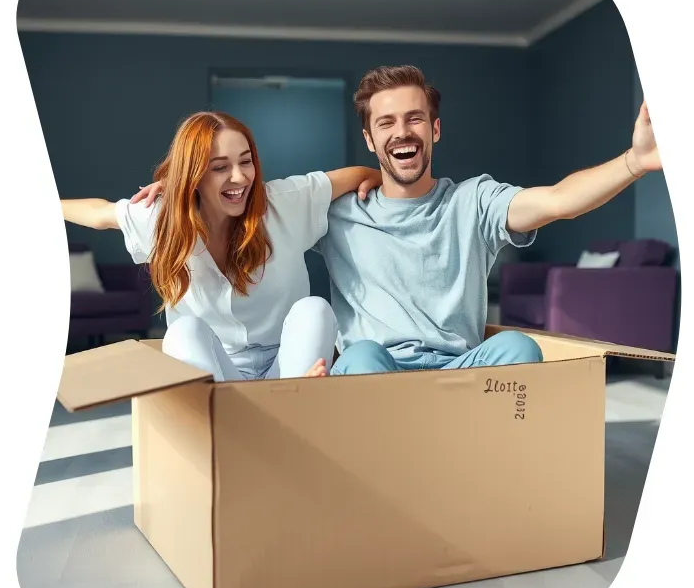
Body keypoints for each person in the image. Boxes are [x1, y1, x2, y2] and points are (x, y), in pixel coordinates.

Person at [135, 66, 661, 377]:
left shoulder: (474, 201)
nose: (401, 131)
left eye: (413, 119)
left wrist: (633, 162)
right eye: (386, 122)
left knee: (522, 348)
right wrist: (182, 187)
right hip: (375, 372)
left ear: (434, 130)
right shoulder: (341, 212)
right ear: (370, 139)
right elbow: (251, 208)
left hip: (459, 369)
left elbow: (558, 200)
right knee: (360, 355)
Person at [61, 111, 381, 381]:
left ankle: (292, 410)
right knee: (183, 330)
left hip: (287, 366)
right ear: (193, 176)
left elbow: (359, 174)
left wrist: (372, 178)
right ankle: (220, 421)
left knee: (315, 310)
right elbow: (98, 214)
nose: (240, 178)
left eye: (246, 162)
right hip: (217, 371)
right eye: (219, 167)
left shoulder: (285, 202)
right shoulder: (164, 218)